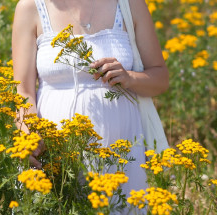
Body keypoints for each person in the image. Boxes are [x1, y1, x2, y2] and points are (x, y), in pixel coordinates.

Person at [12, 0, 168, 209]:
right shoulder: (31, 6)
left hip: (123, 157)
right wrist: (28, 135)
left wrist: (129, 78)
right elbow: (23, 90)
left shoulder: (130, 5)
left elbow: (160, 79)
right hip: (55, 154)